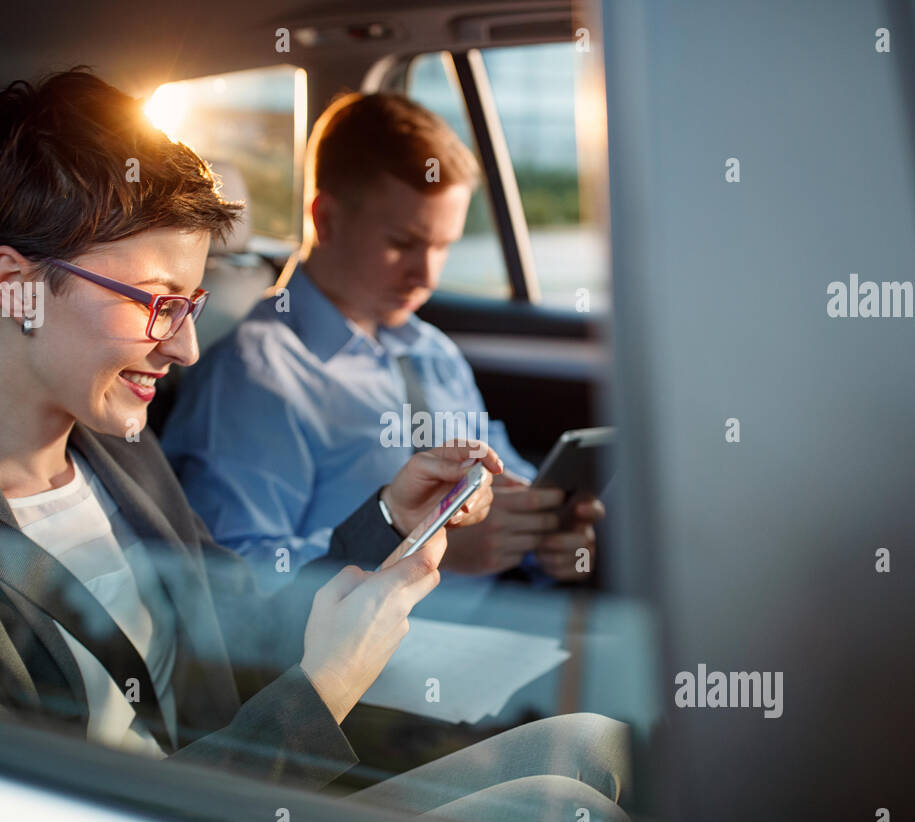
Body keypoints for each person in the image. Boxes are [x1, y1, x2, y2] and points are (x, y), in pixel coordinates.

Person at [0, 70, 631, 822]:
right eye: (157, 303)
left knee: (594, 742)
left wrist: (389, 523)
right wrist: (326, 687)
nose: (187, 346)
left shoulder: (118, 450)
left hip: (246, 796)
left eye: (190, 304)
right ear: (13, 286)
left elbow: (237, 607)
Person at [160, 92, 605, 598]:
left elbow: (506, 487)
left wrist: (545, 537)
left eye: (443, 246)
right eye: (403, 243)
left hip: (501, 631)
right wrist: (426, 552)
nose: (427, 275)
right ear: (325, 220)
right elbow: (238, 585)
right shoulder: (256, 375)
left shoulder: (433, 352)